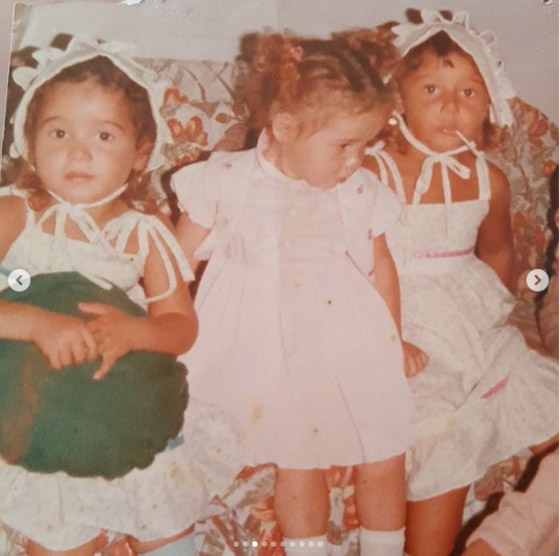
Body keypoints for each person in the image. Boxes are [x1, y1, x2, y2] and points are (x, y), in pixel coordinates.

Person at [173, 32, 424, 556]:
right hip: (259, 340)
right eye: (343, 145)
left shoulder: (356, 189)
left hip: (343, 330)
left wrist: (394, 340)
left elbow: (380, 265)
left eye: (365, 144)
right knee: (300, 460)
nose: (356, 160)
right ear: (285, 127)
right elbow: (173, 263)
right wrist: (160, 331)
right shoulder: (228, 181)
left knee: (385, 446)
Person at [0, 37, 240, 556]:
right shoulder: (15, 213)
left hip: (124, 410)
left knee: (166, 522)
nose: (78, 151)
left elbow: (180, 326)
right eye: (58, 132)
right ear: (29, 142)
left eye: (104, 135)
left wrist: (135, 331)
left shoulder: (145, 230)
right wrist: (38, 323)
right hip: (39, 416)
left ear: (140, 154)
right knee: (61, 536)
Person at [364, 10, 559, 556]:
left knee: (540, 393)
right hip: (402, 327)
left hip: (472, 325)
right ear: (397, 96)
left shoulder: (488, 179)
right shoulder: (372, 171)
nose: (451, 106)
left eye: (469, 92)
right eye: (432, 89)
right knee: (442, 430)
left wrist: (490, 313)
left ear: (489, 104)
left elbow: (496, 251)